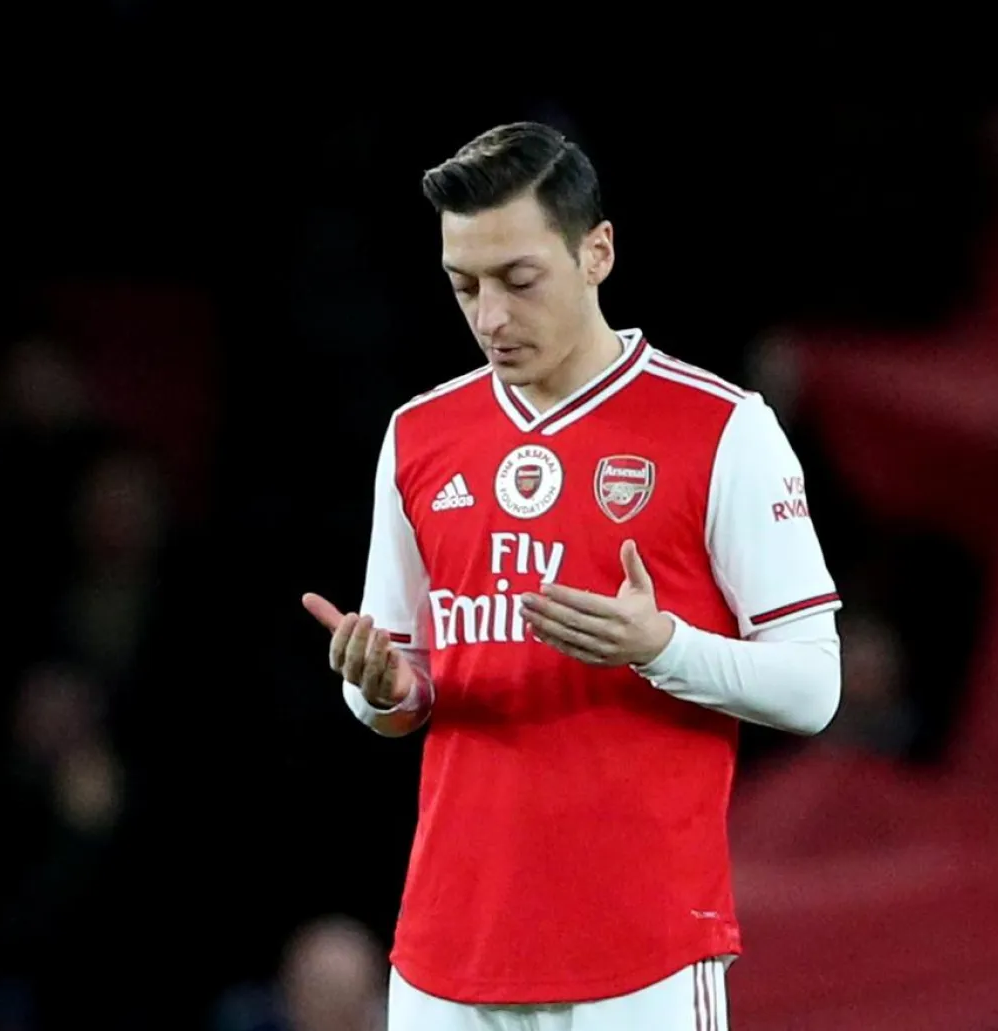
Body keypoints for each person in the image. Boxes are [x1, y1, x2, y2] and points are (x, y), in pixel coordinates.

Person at [302, 122, 842, 1031]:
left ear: (598, 251)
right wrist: (384, 687)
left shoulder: (722, 428)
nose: (490, 318)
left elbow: (815, 686)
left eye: (519, 280)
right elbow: (404, 690)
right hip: (445, 956)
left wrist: (660, 646)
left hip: (642, 955)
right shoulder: (420, 436)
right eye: (463, 285)